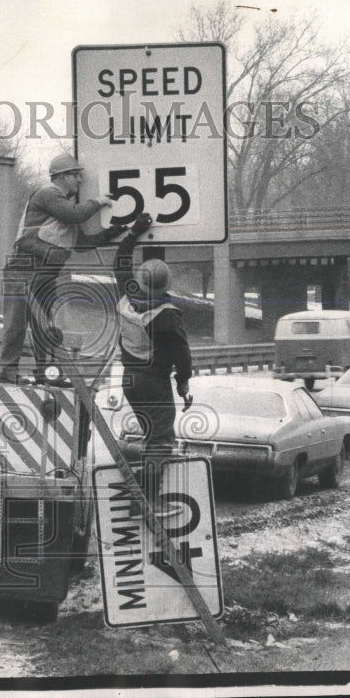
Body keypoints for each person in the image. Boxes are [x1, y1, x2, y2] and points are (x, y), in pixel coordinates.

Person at [0, 153, 123, 384]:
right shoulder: (48, 194)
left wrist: (112, 233)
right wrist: (99, 202)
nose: (79, 180)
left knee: (43, 325)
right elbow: (73, 215)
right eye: (76, 175)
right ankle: (7, 371)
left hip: (46, 270)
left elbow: (81, 244)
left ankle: (44, 373)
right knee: (16, 324)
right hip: (24, 267)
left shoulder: (64, 207)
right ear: (62, 176)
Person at [113, 213, 192, 517]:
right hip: (153, 381)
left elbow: (120, 261)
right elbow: (182, 355)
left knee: (151, 436)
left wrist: (134, 233)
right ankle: (146, 500)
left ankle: (139, 495)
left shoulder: (127, 296)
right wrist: (183, 382)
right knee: (161, 439)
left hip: (129, 379)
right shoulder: (167, 315)